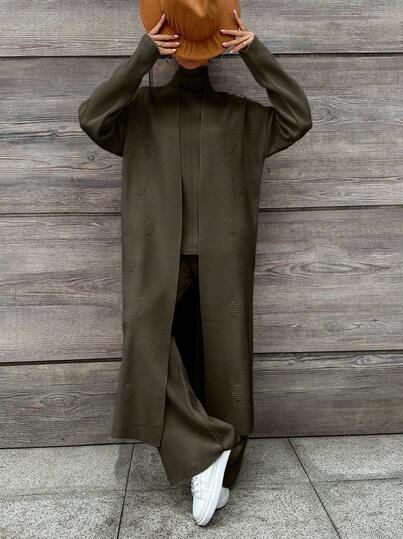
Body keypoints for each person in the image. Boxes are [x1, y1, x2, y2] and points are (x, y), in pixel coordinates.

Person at [78, 1, 312, 527]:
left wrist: (255, 52)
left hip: (224, 255)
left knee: (223, 358)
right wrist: (142, 56)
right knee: (145, 337)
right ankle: (206, 449)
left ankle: (222, 468)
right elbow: (91, 117)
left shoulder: (240, 115)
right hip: (157, 254)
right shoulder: (141, 110)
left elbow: (298, 116)